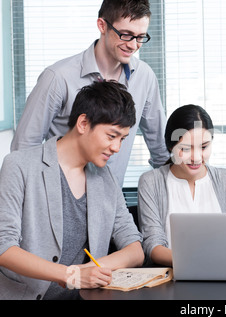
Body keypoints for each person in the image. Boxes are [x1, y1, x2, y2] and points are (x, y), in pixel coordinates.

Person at [0, 81, 144, 300]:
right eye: (111, 136)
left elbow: (135, 249)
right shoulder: (19, 166)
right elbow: (3, 247)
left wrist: (94, 271)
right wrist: (70, 274)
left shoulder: (107, 180)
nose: (117, 148)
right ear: (83, 123)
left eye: (122, 139)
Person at [11, 0, 169, 187]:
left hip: (111, 202)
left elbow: (160, 149)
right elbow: (24, 149)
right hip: (60, 200)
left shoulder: (145, 77)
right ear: (102, 25)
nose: (134, 45)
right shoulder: (58, 77)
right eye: (126, 35)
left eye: (140, 37)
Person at [138, 104, 226, 266]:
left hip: (223, 272)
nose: (196, 158)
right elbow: (153, 245)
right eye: (186, 148)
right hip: (172, 277)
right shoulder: (151, 182)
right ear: (170, 146)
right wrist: (197, 262)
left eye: (204, 147)